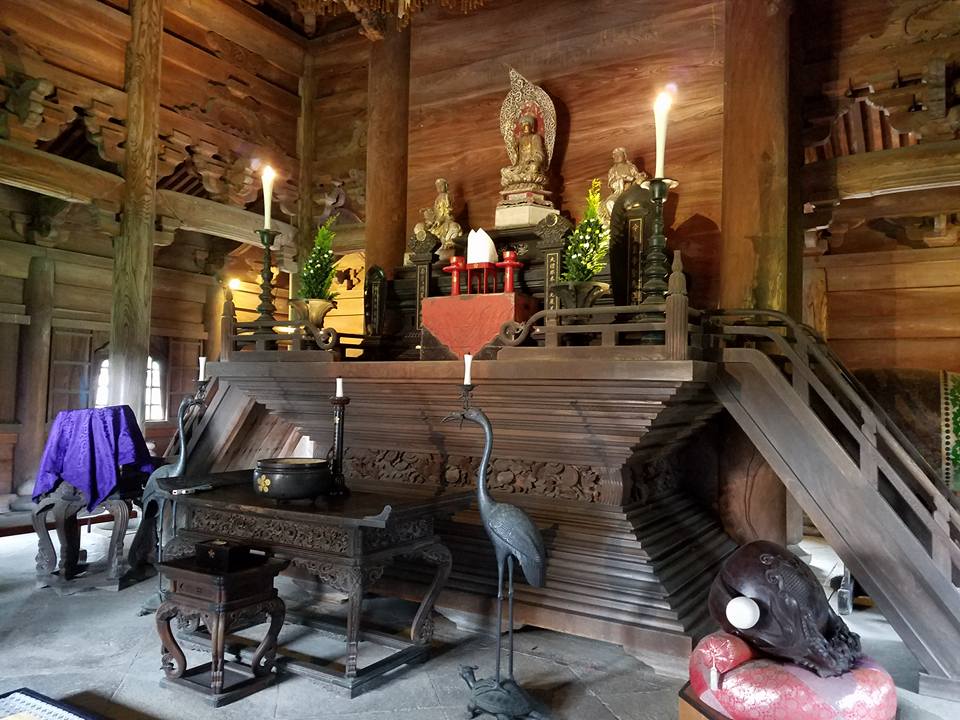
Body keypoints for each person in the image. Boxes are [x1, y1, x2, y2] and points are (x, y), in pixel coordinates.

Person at [500, 115, 548, 190]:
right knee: (504, 171)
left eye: (527, 125)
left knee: (534, 167)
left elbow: (539, 153)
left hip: (530, 165)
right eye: (523, 126)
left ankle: (524, 181)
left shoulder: (535, 137)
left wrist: (533, 160)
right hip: (521, 167)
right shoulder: (520, 139)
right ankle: (520, 181)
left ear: (532, 127)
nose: (525, 128)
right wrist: (514, 148)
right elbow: (517, 158)